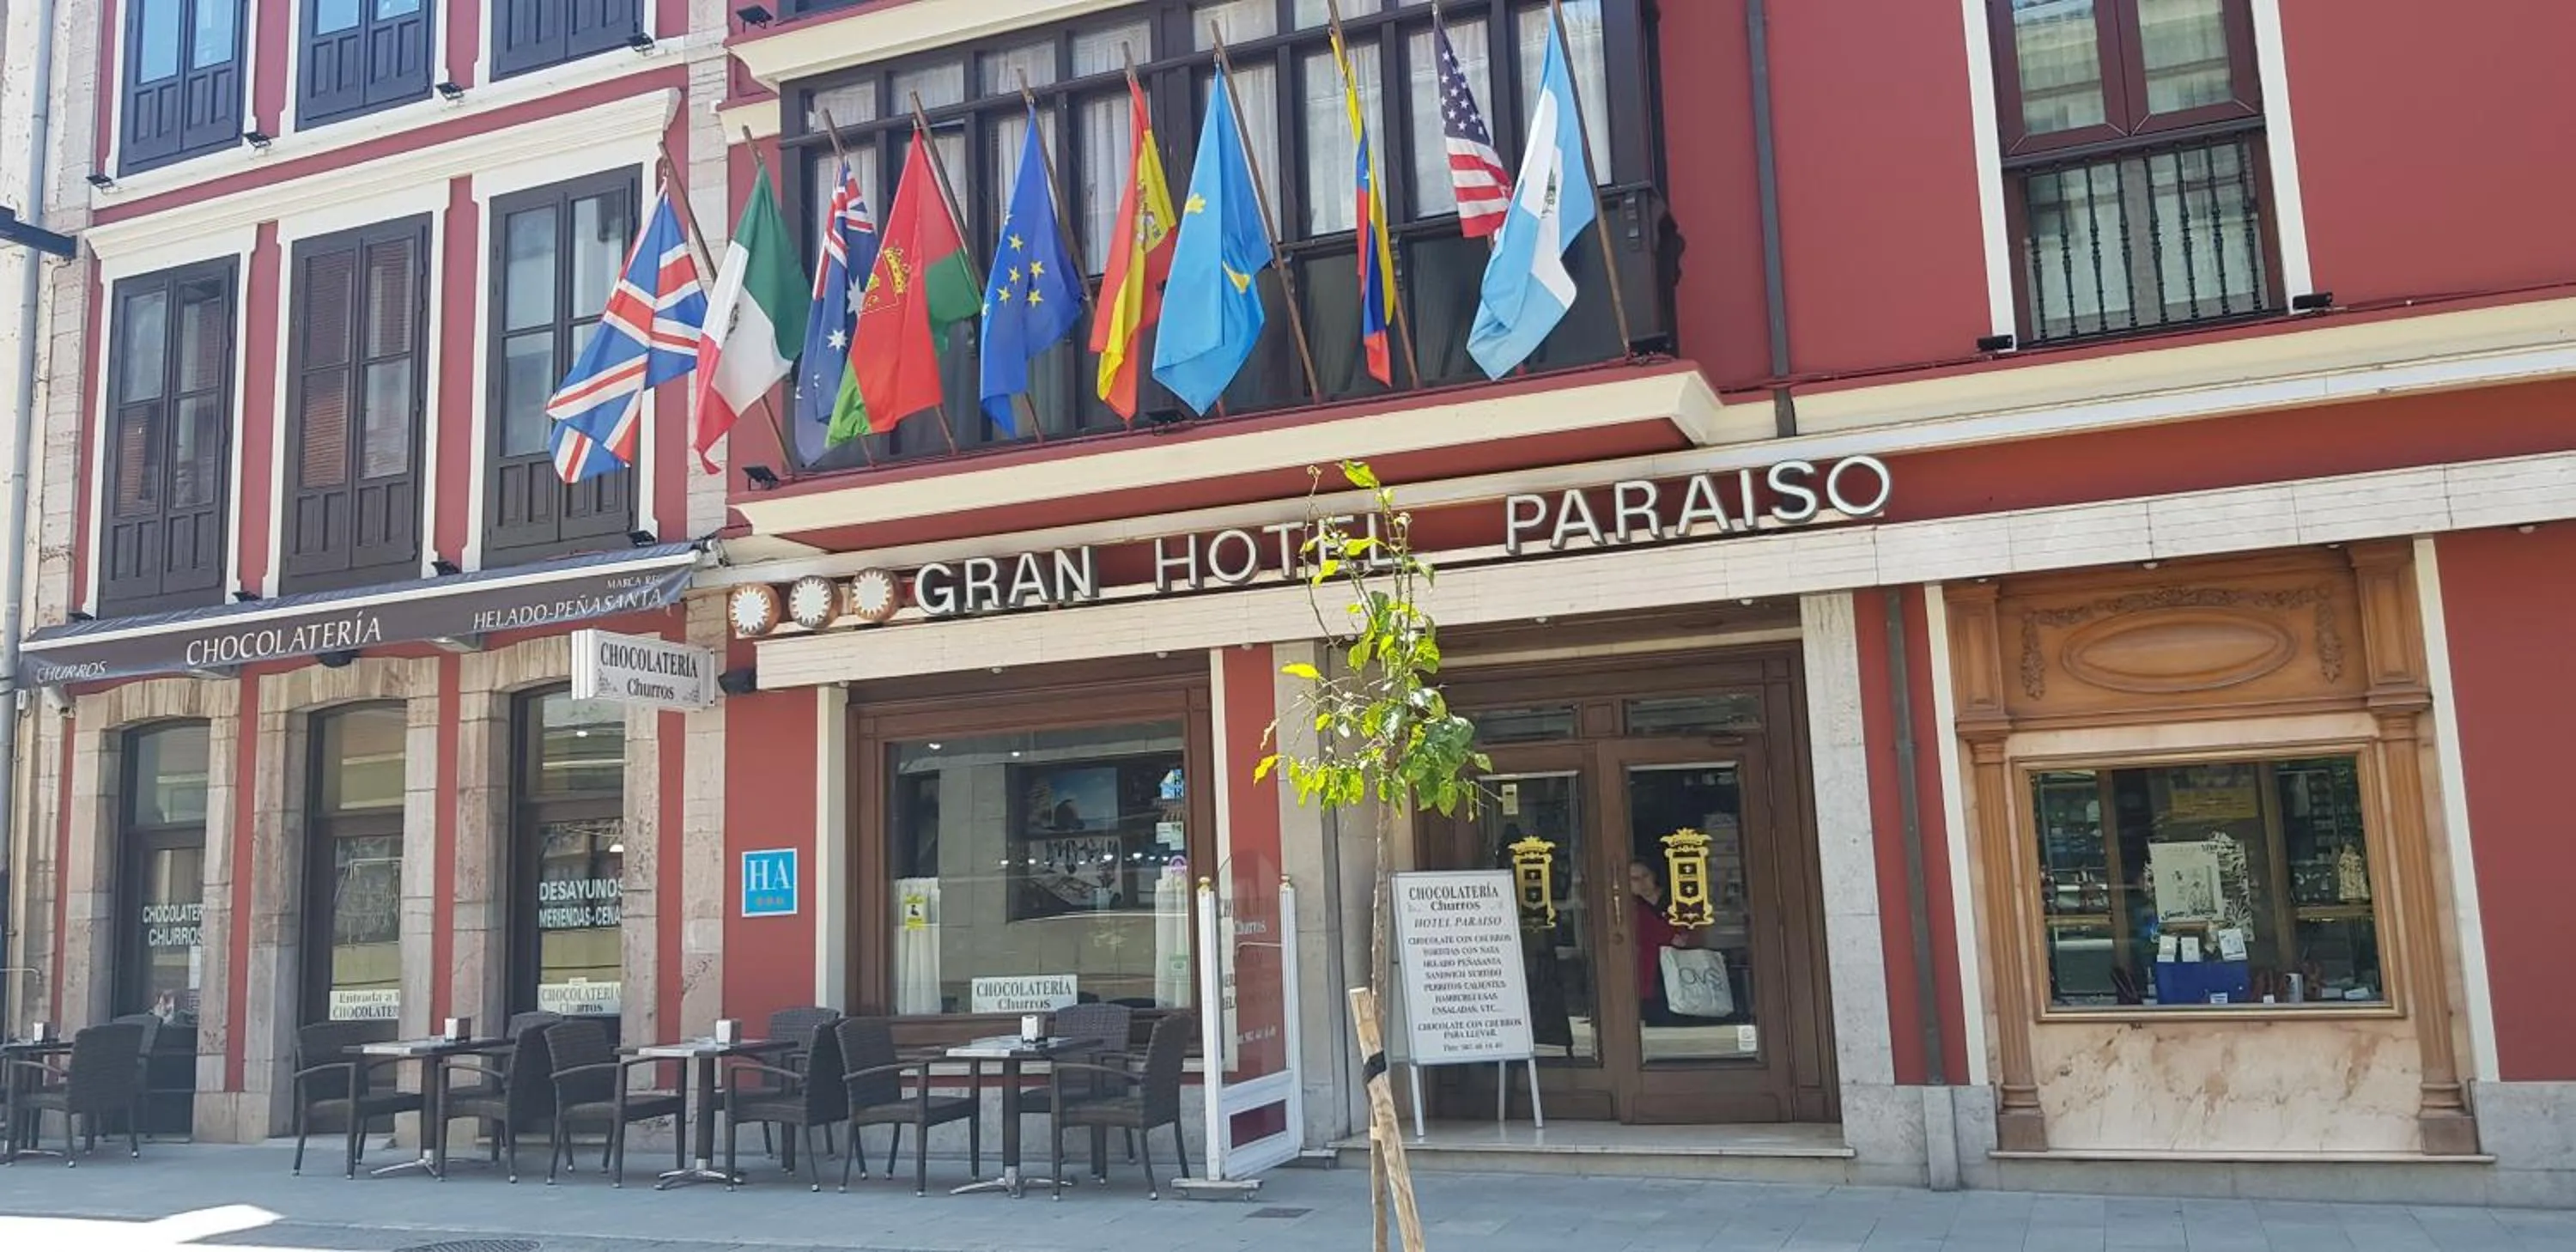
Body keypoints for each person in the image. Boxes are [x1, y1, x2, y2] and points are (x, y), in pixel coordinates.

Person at [1629, 859, 1687, 1026]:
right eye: (1635, 879)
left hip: (1680, 968)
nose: (1642, 883)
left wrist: (1686, 937)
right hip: (1649, 972)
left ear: (1653, 875)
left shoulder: (1677, 901)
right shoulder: (1628, 908)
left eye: (1645, 876)